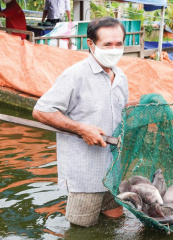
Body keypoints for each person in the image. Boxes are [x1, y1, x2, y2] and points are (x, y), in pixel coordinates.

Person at [32, 17, 129, 227]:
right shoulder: (75, 75)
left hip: (113, 171)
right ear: (91, 44)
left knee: (115, 221)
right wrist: (81, 128)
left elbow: (118, 111)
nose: (114, 49)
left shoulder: (120, 76)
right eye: (107, 44)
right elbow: (42, 111)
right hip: (85, 174)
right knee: (81, 229)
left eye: (118, 44)